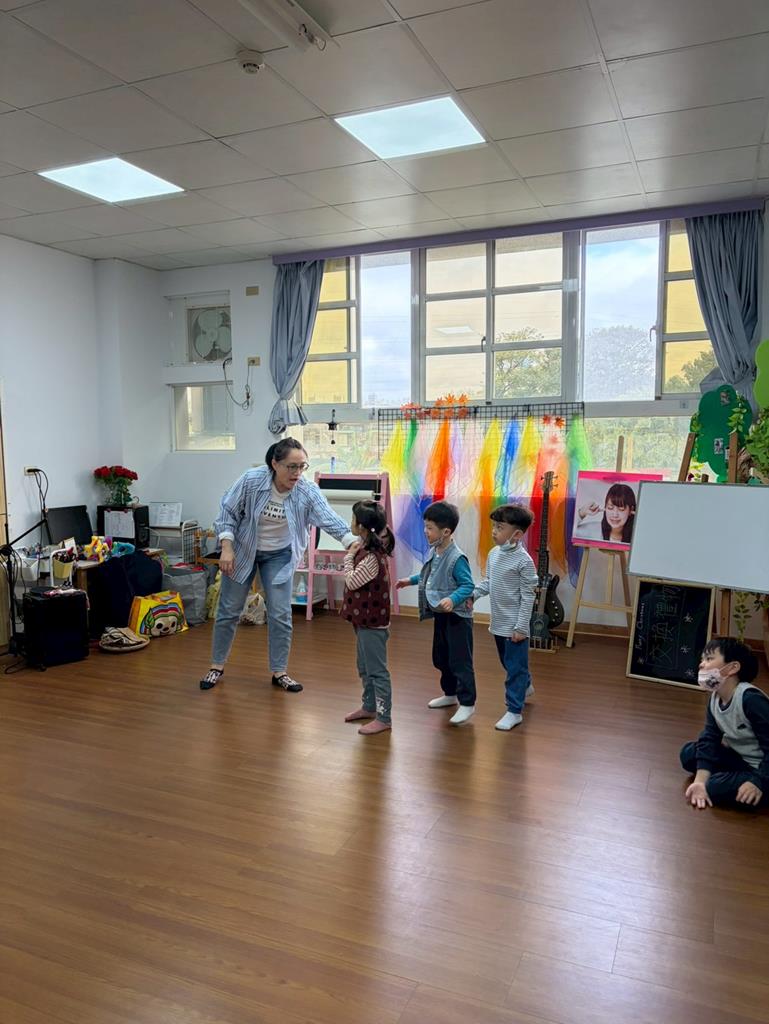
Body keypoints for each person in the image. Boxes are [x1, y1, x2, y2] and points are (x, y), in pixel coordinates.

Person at [199, 437, 355, 692]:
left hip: (280, 555)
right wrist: (226, 548)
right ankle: (217, 666)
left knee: (281, 614)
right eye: (291, 466)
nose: (297, 473)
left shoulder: (306, 490)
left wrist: (351, 541)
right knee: (228, 609)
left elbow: (328, 517)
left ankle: (279, 671)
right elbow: (227, 513)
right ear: (275, 464)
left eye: (302, 466)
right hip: (243, 550)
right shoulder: (251, 481)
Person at [395, 500, 476, 726]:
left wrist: (452, 599)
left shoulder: (457, 558)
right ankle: (450, 694)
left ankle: (467, 703)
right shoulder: (435, 551)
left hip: (458, 617)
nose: (425, 531)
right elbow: (429, 574)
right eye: (425, 526)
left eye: (429, 528)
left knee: (460, 660)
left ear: (446, 532)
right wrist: (410, 580)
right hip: (441, 614)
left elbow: (468, 586)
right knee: (441, 657)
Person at [680, 637, 769, 810]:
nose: (701, 664)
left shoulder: (751, 700)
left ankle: (753, 785)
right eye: (702, 660)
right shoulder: (715, 698)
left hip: (763, 766)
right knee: (688, 754)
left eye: (709, 658)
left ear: (733, 667)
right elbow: (710, 737)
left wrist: (758, 781)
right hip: (742, 758)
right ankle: (737, 778)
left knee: (714, 788)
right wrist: (699, 782)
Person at [472, 504, 539, 731]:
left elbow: (528, 597)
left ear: (517, 534)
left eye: (500, 528)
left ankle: (514, 711)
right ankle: (526, 685)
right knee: (508, 663)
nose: (494, 531)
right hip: (498, 623)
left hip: (515, 626)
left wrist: (521, 627)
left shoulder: (524, 561)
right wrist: (474, 594)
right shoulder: (494, 554)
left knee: (514, 669)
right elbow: (489, 582)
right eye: (494, 526)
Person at [341, 500, 396, 736]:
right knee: (364, 667)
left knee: (377, 671)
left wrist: (348, 558)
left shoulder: (372, 557)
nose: (351, 522)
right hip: (363, 621)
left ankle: (384, 718)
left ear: (362, 526)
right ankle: (369, 706)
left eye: (353, 519)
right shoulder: (367, 547)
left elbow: (352, 580)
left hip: (372, 624)